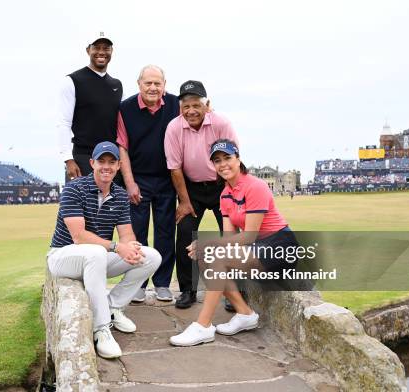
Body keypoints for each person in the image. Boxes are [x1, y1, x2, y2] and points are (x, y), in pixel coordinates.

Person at [170, 139, 298, 346]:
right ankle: (245, 313)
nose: (223, 164)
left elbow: (249, 236)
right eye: (217, 160)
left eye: (227, 158)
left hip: (280, 246)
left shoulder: (255, 186)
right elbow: (230, 240)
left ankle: (203, 326)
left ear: (238, 159)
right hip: (257, 249)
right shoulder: (225, 194)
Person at [47, 141, 162, 359]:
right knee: (97, 252)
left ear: (119, 165)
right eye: (101, 161)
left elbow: (126, 233)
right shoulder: (74, 188)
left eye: (111, 162)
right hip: (63, 255)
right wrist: (117, 247)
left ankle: (112, 306)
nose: (106, 166)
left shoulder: (119, 195)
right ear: (92, 163)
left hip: (96, 258)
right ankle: (100, 328)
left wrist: (131, 247)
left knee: (151, 257)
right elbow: (78, 236)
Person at [164, 80, 239, 309]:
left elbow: (232, 160)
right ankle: (187, 290)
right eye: (186, 106)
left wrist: (232, 193)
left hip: (221, 185)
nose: (191, 111)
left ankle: (236, 293)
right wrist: (184, 202)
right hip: (191, 189)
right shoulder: (174, 127)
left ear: (206, 105)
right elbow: (175, 168)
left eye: (196, 105)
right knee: (185, 233)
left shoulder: (221, 122)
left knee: (232, 235)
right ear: (180, 108)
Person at [116, 65, 179, 302]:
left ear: (164, 85)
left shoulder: (175, 104)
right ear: (139, 83)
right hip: (138, 178)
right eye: (148, 83)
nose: (153, 88)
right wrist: (129, 183)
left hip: (166, 178)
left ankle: (163, 283)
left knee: (165, 232)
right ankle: (139, 284)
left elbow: (197, 116)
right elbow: (122, 147)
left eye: (158, 83)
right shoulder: (125, 108)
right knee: (137, 234)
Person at [57, 32, 123, 183]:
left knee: (110, 206)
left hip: (111, 159)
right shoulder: (72, 81)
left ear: (111, 51)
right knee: (81, 206)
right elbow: (64, 123)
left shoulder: (117, 85)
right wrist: (68, 159)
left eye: (106, 48)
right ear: (88, 50)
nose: (101, 52)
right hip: (83, 158)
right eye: (96, 47)